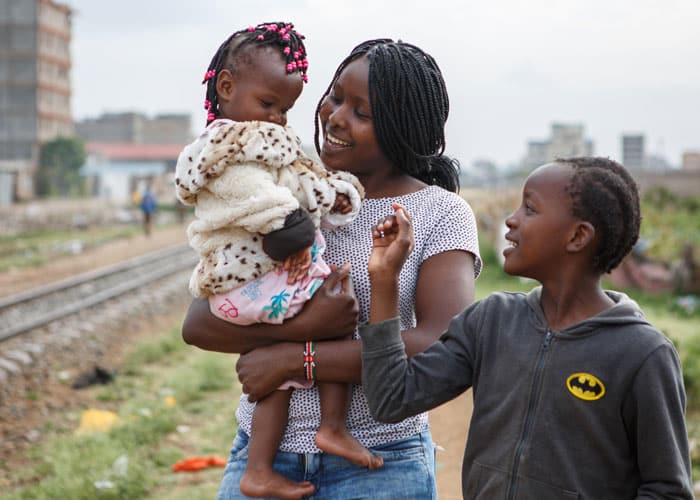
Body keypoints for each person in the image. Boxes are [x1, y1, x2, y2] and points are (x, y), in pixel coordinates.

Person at [182, 38, 482, 499]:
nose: (336, 117)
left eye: (363, 113)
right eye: (336, 96)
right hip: (262, 457)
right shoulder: (289, 193)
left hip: (382, 461)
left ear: (402, 129)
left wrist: (295, 359)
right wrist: (310, 326)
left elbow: (442, 344)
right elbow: (201, 323)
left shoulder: (440, 213)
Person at [361, 157, 693, 499]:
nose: (511, 219)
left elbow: (667, 489)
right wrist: (385, 279)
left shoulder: (642, 354)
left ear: (578, 236)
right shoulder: (492, 321)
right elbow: (390, 400)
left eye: (530, 209)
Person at [175, 22, 374, 500]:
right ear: (226, 87)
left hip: (259, 273)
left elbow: (295, 179)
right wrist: (300, 232)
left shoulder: (259, 140)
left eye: (285, 109)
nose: (279, 118)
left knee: (283, 372)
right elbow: (265, 198)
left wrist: (335, 195)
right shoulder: (222, 150)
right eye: (269, 105)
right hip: (246, 275)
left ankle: (265, 464)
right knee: (332, 320)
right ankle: (327, 427)